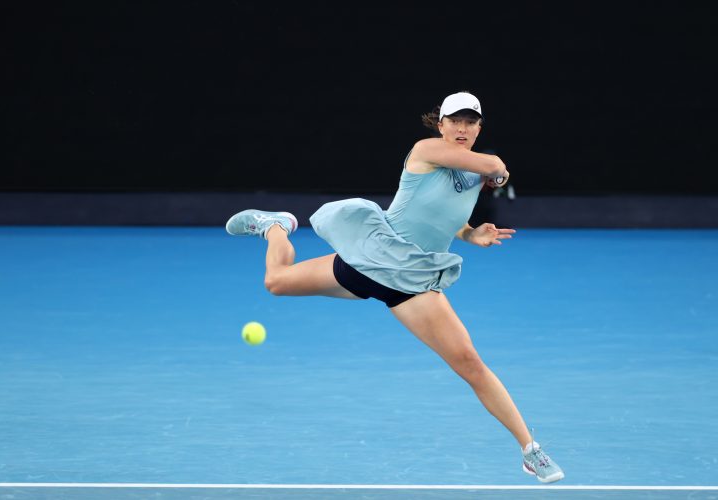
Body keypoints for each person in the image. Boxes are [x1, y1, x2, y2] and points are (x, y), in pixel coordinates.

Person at [224, 91, 564, 483]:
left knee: (469, 363)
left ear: (478, 127)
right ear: (441, 124)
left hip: (413, 283)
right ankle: (276, 227)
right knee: (275, 282)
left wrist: (471, 234)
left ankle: (530, 450)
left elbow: (441, 216)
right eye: (455, 120)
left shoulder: (471, 176)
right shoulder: (427, 149)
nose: (462, 128)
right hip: (373, 258)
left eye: (470, 122)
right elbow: (494, 163)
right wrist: (499, 172)